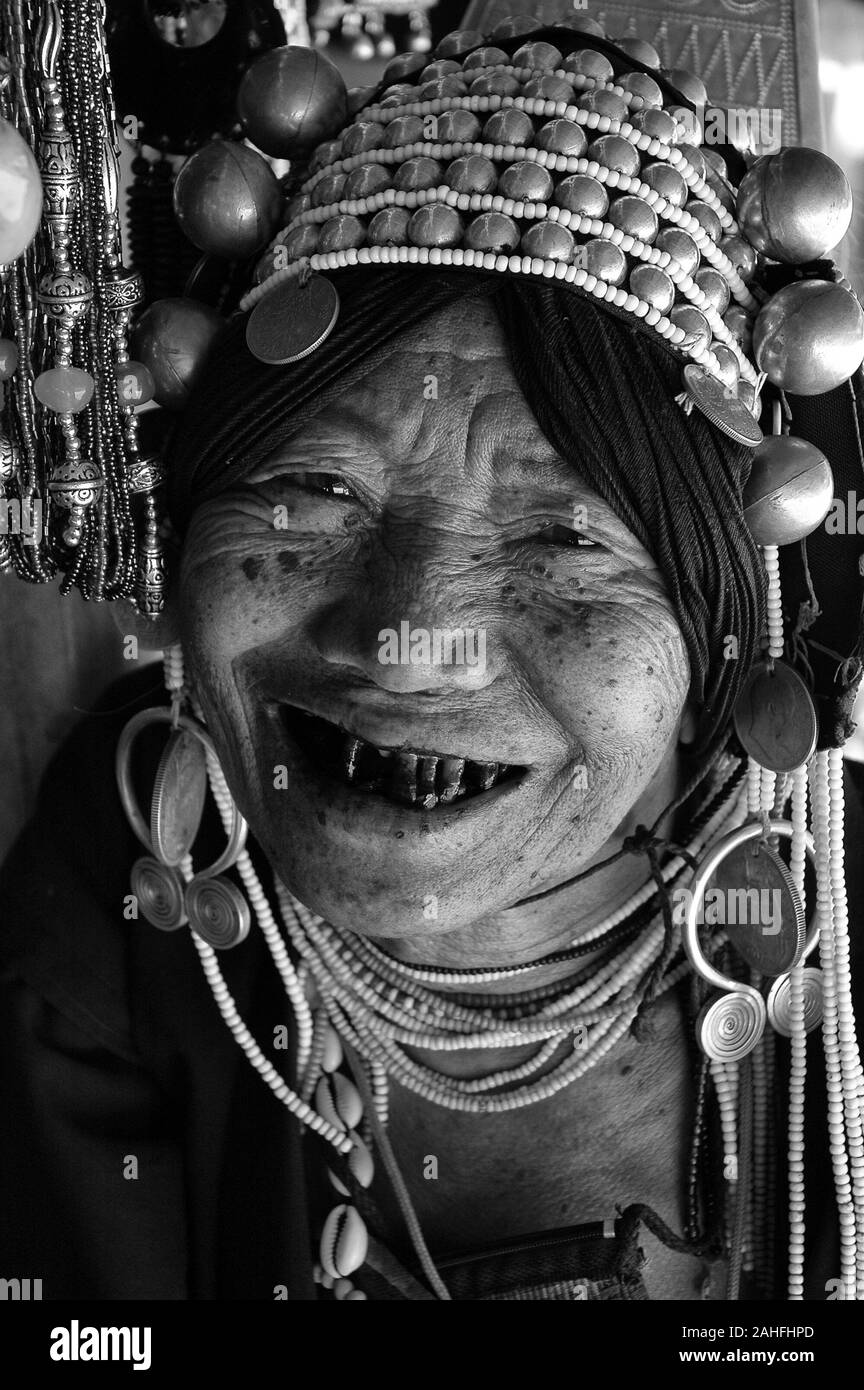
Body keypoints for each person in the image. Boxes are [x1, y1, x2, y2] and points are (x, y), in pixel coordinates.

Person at [2, 12, 864, 1302]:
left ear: (717, 653)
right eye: (309, 493)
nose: (416, 642)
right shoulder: (123, 871)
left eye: (567, 538)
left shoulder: (834, 938)